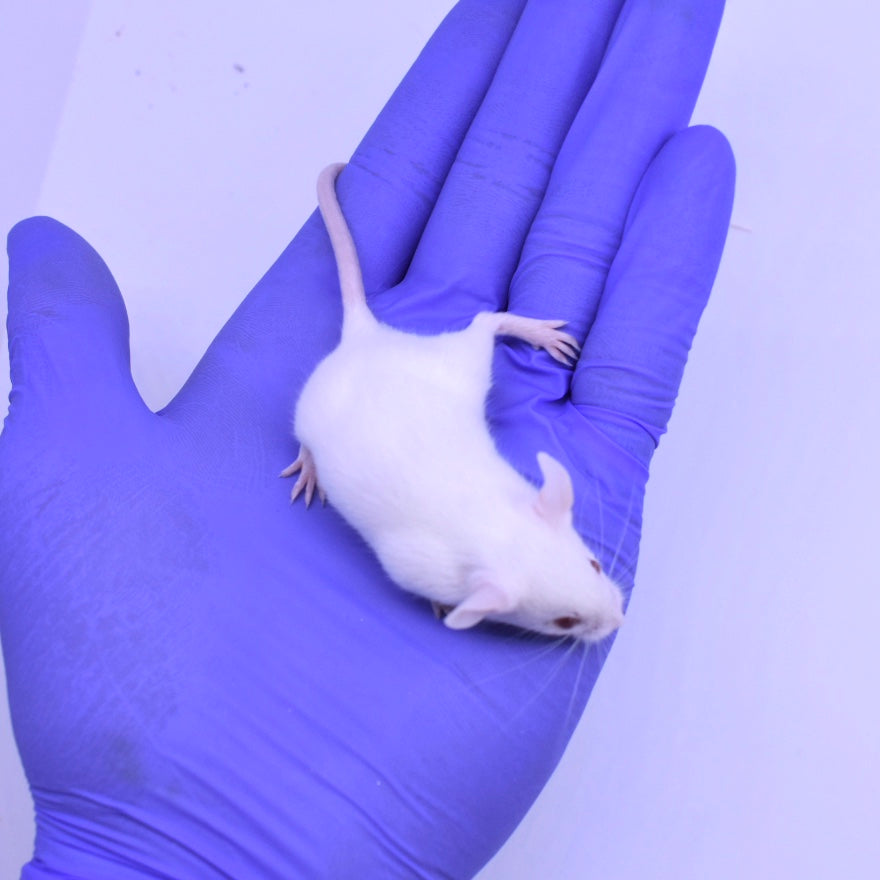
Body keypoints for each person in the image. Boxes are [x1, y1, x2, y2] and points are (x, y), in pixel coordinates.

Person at [0, 0, 734, 876]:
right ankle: (430, 371)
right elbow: (414, 556)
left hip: (388, 403)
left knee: (423, 395)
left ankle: (451, 359)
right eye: (575, 614)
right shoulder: (473, 565)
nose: (601, 617)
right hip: (365, 408)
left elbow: (438, 544)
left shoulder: (505, 538)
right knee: (389, 405)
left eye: (585, 588)